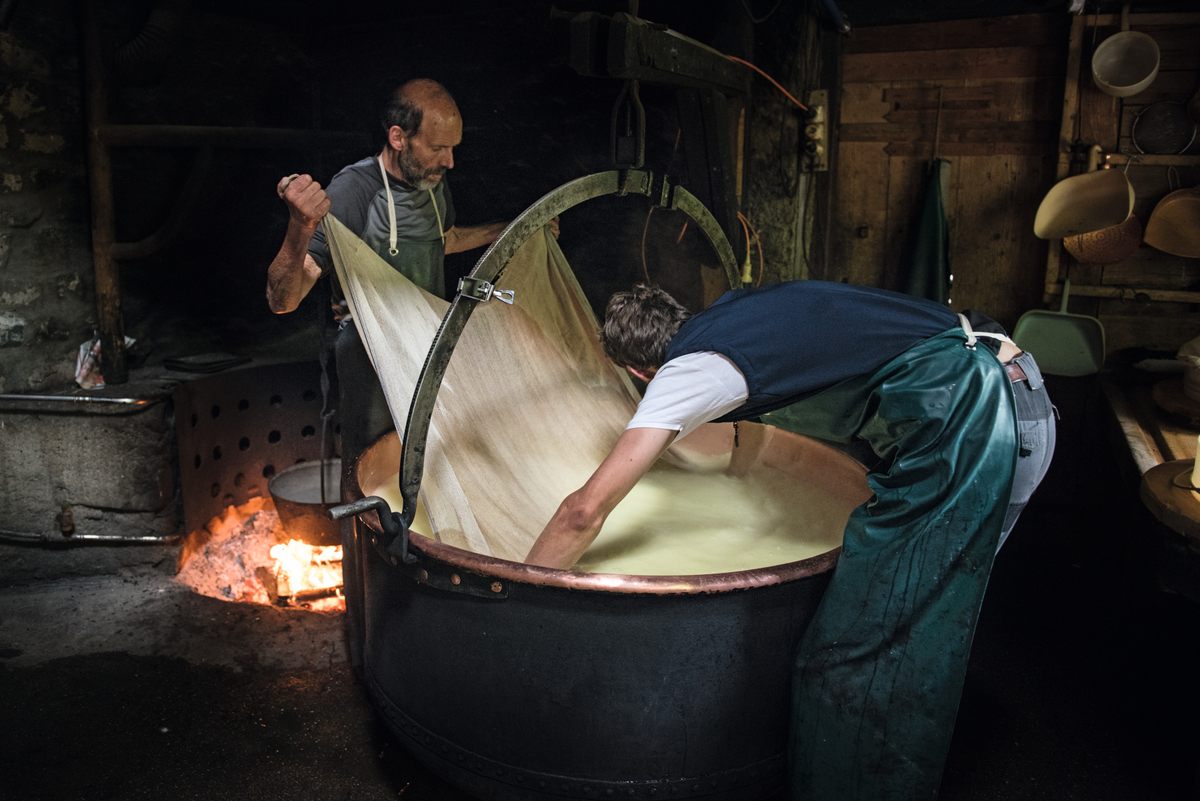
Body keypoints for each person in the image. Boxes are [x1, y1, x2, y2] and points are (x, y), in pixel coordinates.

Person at [525, 280, 1055, 801]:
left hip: (980, 419)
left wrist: (525, 592)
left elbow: (582, 513)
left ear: (639, 371)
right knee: (916, 618)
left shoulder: (687, 372)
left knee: (873, 644)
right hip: (1008, 391)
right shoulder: (738, 314)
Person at [265, 78, 508, 468]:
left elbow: (440, 240)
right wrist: (300, 227)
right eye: (437, 148)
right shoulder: (353, 192)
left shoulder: (431, 181)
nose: (450, 162)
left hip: (428, 348)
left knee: (432, 461)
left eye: (452, 148)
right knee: (374, 470)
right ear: (398, 137)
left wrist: (507, 230)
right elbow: (283, 300)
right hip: (371, 359)